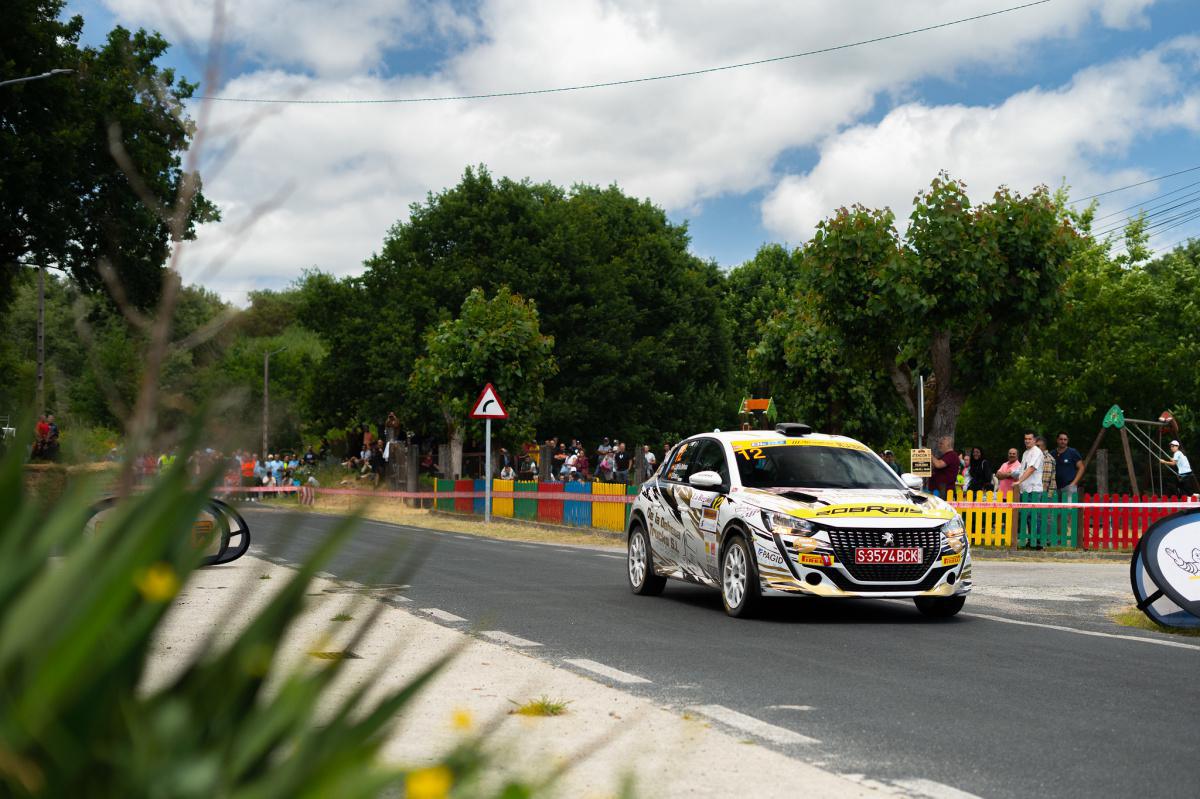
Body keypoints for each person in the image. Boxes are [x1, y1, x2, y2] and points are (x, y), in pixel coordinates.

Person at [1053, 432, 1083, 497]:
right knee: (1056, 507)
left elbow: (1081, 468)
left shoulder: (1072, 452)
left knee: (1068, 507)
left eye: (1065, 439)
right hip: (1055, 488)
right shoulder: (1052, 453)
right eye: (1061, 439)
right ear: (1057, 440)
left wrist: (1073, 483)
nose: (1063, 441)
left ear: (1067, 441)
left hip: (1069, 487)